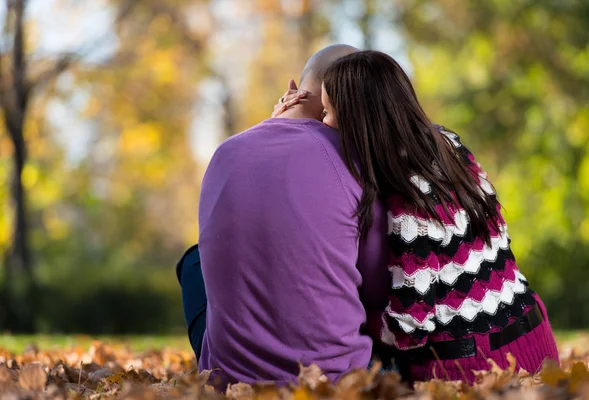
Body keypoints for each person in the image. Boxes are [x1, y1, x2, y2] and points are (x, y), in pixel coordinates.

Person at [287, 49, 558, 383]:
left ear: (358, 118)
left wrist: (359, 319)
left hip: (478, 368)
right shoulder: (447, 143)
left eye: (327, 112)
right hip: (536, 338)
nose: (322, 122)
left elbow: (410, 328)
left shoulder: (409, 198)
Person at [177, 45, 391, 387]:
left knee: (193, 262)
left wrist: (277, 126)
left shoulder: (226, 152)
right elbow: (378, 285)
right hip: (337, 380)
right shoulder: (357, 162)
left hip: (231, 381)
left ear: (294, 88)